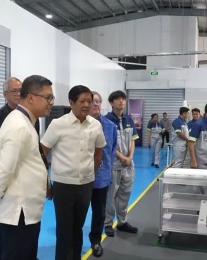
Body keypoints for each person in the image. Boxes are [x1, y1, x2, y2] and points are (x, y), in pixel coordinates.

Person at [0, 75, 54, 260]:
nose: (51, 103)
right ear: (31, 98)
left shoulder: (26, 121)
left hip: (25, 211)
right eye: (48, 97)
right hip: (19, 213)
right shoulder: (19, 126)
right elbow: (3, 170)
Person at [41, 85, 106, 260]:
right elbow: (42, 153)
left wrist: (91, 171)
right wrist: (46, 181)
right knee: (64, 229)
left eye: (89, 101)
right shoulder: (58, 124)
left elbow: (99, 151)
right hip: (63, 185)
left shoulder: (95, 125)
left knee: (78, 228)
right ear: (71, 102)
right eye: (82, 101)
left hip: (86, 184)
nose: (87, 105)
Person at [0, 77, 40, 170]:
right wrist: (2, 164)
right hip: (1, 170)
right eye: (14, 91)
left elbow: (35, 145)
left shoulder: (32, 117)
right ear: (5, 95)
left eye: (21, 91)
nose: (18, 94)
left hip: (26, 169)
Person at [104, 90, 139, 237]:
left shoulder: (129, 119)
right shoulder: (106, 120)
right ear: (112, 102)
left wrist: (130, 157)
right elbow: (107, 144)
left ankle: (122, 222)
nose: (121, 102)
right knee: (111, 196)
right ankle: (107, 223)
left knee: (125, 193)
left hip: (128, 164)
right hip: (114, 165)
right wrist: (122, 158)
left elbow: (133, 140)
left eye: (123, 99)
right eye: (118, 99)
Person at [88, 91, 117, 257]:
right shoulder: (80, 124)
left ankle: (96, 241)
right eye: (92, 101)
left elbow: (112, 151)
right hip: (81, 179)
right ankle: (74, 241)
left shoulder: (110, 126)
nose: (96, 104)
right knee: (79, 212)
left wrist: (106, 171)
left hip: (101, 178)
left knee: (99, 212)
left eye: (98, 101)